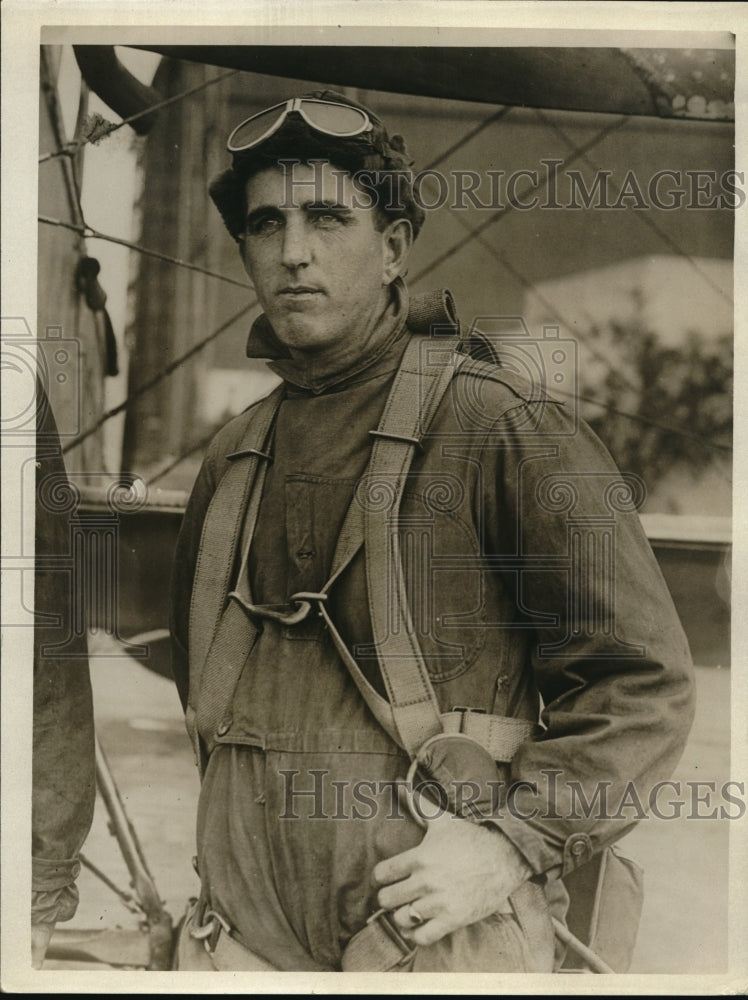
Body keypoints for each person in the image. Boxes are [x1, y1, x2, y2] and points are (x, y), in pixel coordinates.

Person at [170, 91, 695, 973]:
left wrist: (513, 842)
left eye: (327, 217)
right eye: (267, 224)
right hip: (237, 952)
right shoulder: (235, 455)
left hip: (435, 954)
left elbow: (642, 683)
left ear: (394, 249)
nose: (293, 250)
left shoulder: (504, 427)